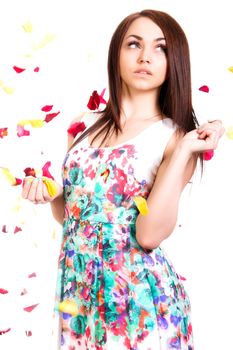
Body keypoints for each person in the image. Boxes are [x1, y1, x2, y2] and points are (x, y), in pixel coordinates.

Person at [22, 9, 224, 350]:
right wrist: (50, 195)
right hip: (78, 294)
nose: (145, 56)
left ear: (174, 60)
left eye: (160, 48)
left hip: (138, 303)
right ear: (117, 52)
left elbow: (147, 235)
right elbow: (73, 216)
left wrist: (185, 149)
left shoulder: (175, 138)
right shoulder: (82, 126)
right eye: (134, 44)